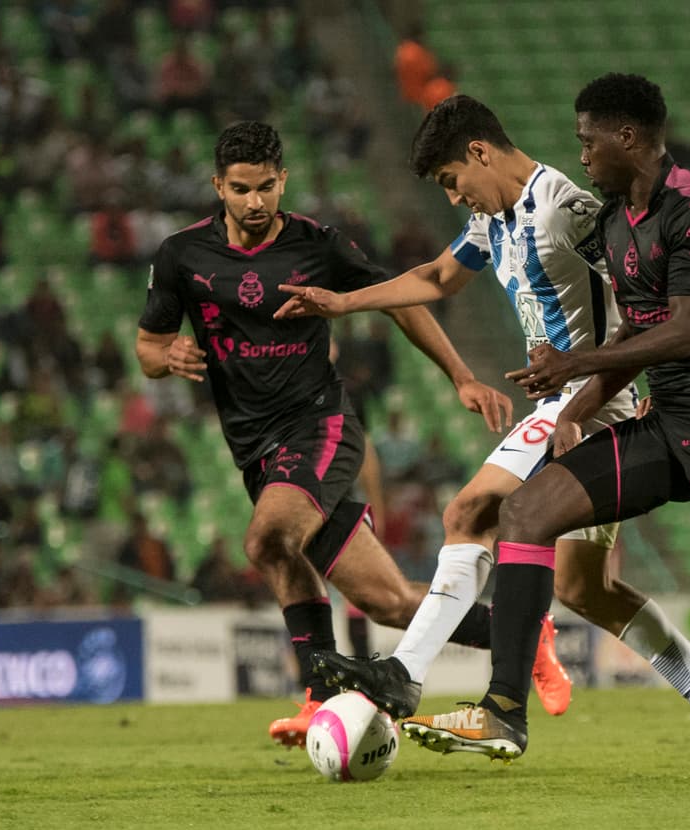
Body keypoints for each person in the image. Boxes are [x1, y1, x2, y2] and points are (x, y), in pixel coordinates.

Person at [386, 76, 690, 780]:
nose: (581, 154)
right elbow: (635, 336)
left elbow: (688, 328)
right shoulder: (615, 222)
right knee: (527, 511)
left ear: (628, 137)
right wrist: (579, 411)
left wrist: (573, 367)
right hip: (667, 409)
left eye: (589, 140)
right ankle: (504, 707)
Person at [280, 95, 690, 768]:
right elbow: (439, 277)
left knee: (467, 509)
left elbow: (642, 293)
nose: (453, 197)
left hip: (584, 401)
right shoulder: (489, 217)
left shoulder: (566, 208)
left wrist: (631, 391)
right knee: (584, 586)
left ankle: (405, 672)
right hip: (566, 402)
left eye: (451, 180)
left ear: (479, 152)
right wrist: (346, 301)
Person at [135, 120, 514, 748]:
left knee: (268, 539)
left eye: (265, 187)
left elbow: (401, 300)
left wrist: (461, 377)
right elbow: (147, 348)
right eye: (239, 189)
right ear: (217, 187)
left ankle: (320, 696)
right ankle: (521, 633)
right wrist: (168, 357)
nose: (254, 202)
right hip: (255, 449)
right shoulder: (182, 256)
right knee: (387, 600)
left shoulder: (319, 244)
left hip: (320, 425)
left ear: (283, 180)